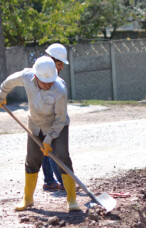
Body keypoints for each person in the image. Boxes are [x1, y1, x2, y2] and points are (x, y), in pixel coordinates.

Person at [0, 56, 80, 212]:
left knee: (62, 156)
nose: (49, 85)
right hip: (35, 125)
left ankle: (71, 200)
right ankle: (28, 199)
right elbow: (8, 82)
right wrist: (2, 95)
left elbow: (60, 119)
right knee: (32, 159)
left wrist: (49, 139)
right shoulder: (26, 76)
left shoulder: (59, 89)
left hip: (58, 126)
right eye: (45, 82)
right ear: (36, 77)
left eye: (51, 81)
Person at [41, 43, 70, 192]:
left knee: (46, 149)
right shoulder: (48, 78)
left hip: (47, 117)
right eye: (59, 64)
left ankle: (49, 181)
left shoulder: (43, 74)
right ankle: (63, 181)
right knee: (53, 150)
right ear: (51, 61)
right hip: (50, 119)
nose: (61, 68)